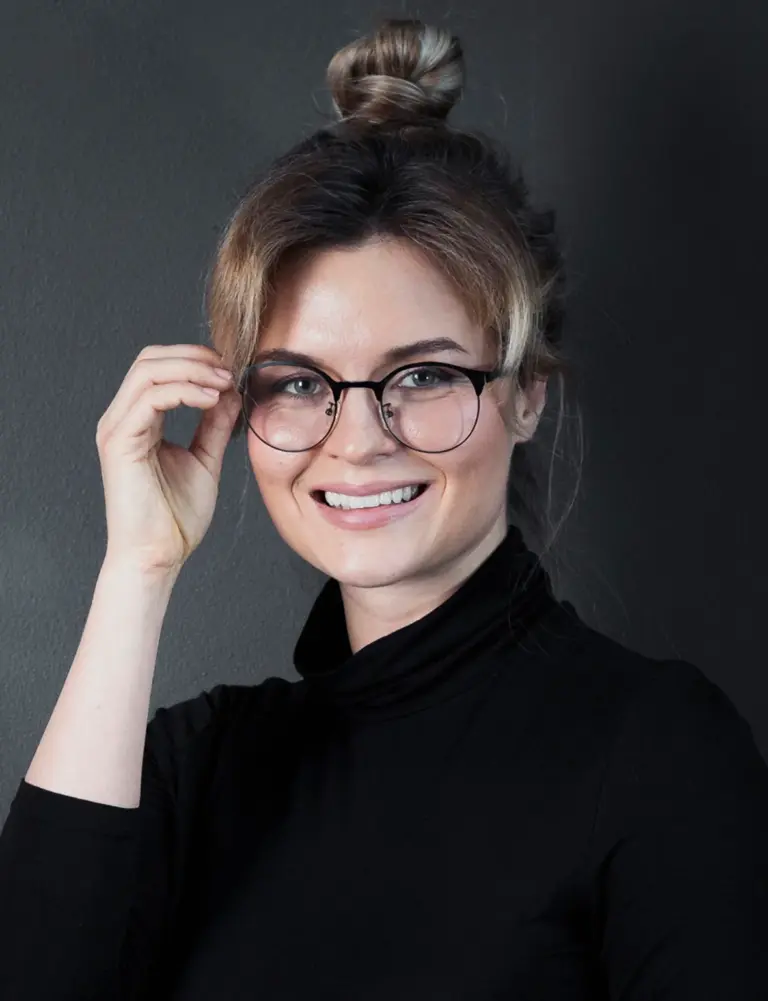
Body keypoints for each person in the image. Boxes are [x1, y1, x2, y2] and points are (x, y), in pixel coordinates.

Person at [1, 18, 767, 1001]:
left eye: (423, 375)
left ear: (526, 394)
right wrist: (136, 572)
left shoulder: (659, 751)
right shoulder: (204, 762)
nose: (358, 438)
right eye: (299, 381)